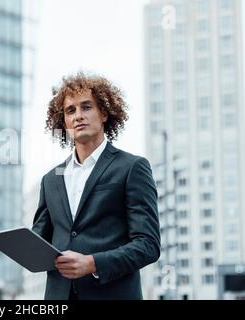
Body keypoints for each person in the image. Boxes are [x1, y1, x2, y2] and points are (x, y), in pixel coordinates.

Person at [32, 72, 161, 300]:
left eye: (86, 107)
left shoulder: (132, 167)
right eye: (70, 110)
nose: (78, 116)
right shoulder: (50, 179)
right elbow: (41, 241)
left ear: (103, 113)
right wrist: (24, 247)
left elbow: (148, 245)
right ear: (64, 122)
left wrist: (93, 263)